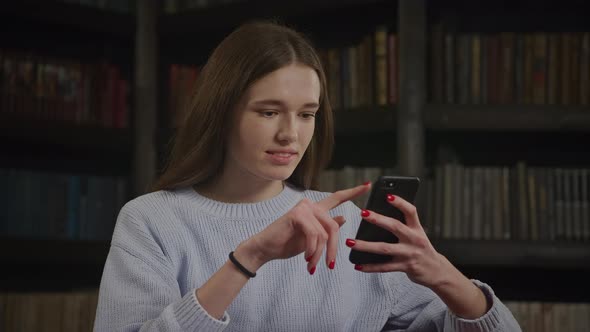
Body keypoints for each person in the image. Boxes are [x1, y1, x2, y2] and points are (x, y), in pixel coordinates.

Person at [94, 21, 521, 331]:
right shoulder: (151, 221)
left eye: (306, 114)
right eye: (268, 112)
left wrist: (443, 274)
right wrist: (250, 258)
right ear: (221, 113)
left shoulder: (350, 224)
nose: (290, 134)